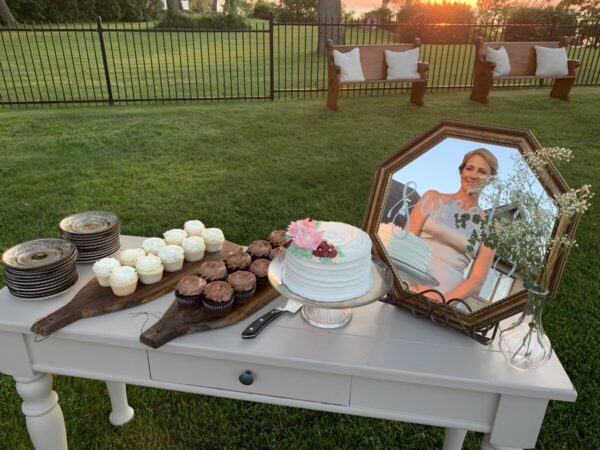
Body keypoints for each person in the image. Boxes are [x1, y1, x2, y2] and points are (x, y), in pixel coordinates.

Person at [406, 148, 498, 302]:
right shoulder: (432, 198)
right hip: (410, 285)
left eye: (482, 172)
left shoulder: (490, 228)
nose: (474, 175)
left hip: (447, 305)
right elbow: (405, 243)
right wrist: (424, 291)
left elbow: (477, 280)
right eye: (469, 168)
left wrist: (444, 302)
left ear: (491, 179)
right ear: (461, 171)